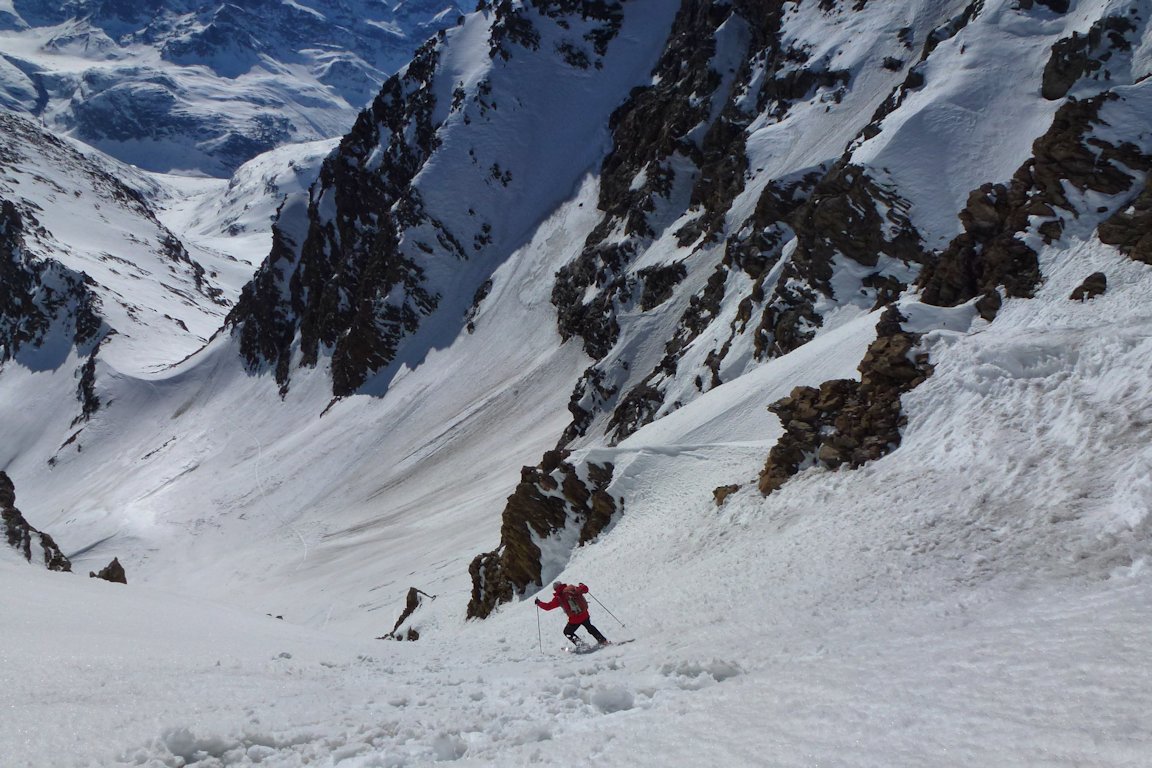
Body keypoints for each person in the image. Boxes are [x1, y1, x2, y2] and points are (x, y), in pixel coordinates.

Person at [535, 581, 609, 647]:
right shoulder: (571, 589)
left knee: (567, 632)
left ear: (555, 589)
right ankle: (603, 641)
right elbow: (585, 589)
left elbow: (548, 607)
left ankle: (581, 645)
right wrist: (581, 585)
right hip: (584, 614)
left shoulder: (558, 598)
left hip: (574, 619)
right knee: (589, 627)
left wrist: (539, 603)